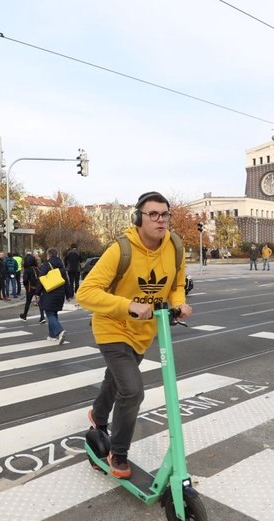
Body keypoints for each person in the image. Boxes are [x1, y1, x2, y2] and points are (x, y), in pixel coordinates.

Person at [77, 191, 192, 479]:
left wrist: (179, 302)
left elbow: (177, 284)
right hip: (112, 326)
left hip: (145, 331)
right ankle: (119, 453)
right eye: (153, 214)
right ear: (138, 218)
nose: (160, 220)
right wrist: (128, 305)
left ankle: (98, 416)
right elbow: (85, 293)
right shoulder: (121, 249)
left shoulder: (175, 246)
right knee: (132, 390)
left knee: (116, 378)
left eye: (165, 214)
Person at [39, 247, 73, 343]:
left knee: (49, 313)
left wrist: (37, 293)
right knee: (53, 312)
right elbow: (66, 281)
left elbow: (41, 280)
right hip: (60, 292)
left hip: (49, 292)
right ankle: (52, 335)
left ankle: (60, 331)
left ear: (48, 255)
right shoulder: (61, 266)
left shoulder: (46, 265)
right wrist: (68, 294)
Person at [19, 252, 43, 321]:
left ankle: (24, 315)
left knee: (28, 302)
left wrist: (25, 285)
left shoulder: (27, 270)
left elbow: (25, 280)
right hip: (38, 287)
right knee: (39, 301)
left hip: (30, 288)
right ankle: (42, 317)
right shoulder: (37, 269)